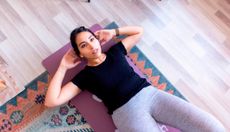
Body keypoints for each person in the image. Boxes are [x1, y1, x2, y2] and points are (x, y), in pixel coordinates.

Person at [44, 25, 225, 132]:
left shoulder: (115, 51)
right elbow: (52, 101)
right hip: (126, 113)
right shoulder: (84, 76)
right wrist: (63, 66)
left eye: (92, 39)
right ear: (80, 53)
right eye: (84, 45)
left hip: (152, 96)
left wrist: (114, 32)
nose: (91, 46)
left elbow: (139, 32)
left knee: (213, 127)